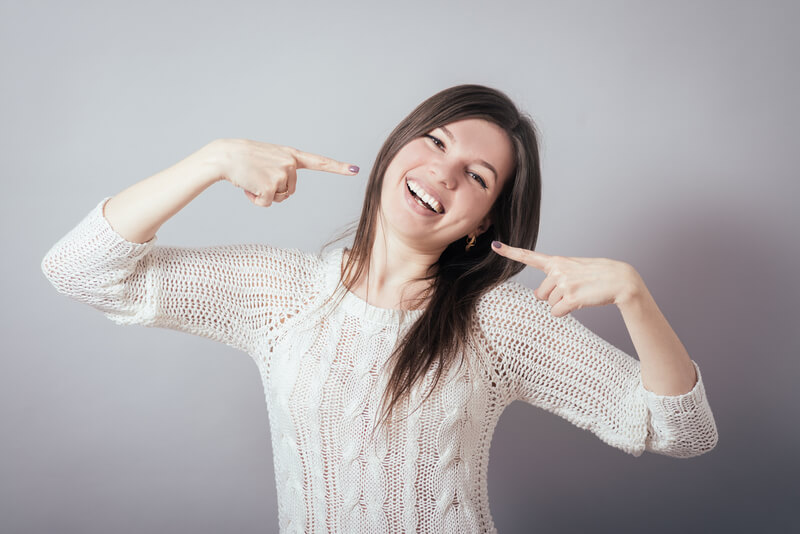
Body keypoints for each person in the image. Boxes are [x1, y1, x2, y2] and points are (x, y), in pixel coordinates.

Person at [41, 84, 718, 533]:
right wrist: (213, 160)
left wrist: (633, 293)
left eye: (477, 178)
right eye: (436, 141)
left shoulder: (496, 325)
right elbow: (79, 270)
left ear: (481, 224)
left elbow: (683, 432)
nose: (444, 173)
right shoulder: (283, 294)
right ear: (399, 145)